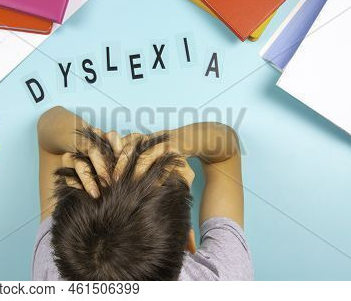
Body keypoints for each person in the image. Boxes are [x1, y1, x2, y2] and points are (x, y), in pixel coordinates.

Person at [33, 106, 253, 280]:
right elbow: (226, 150)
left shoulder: (51, 275)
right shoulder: (221, 280)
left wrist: (87, 141)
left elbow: (47, 128)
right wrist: (176, 142)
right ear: (189, 242)